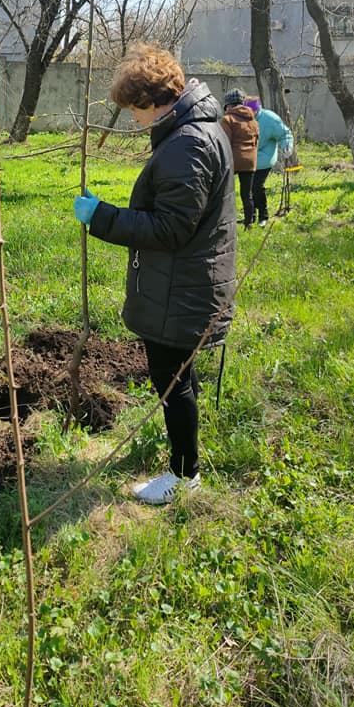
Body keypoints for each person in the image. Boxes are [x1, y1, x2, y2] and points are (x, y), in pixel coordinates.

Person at [73, 43, 237, 505]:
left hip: (182, 289)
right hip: (186, 282)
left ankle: (185, 474)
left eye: (134, 110)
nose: (132, 119)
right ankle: (184, 457)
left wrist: (101, 216)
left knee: (171, 379)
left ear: (154, 102)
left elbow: (169, 229)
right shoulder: (194, 131)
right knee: (177, 377)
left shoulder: (188, 144)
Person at [245, 97, 294, 226]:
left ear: (257, 109)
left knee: (256, 187)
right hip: (247, 158)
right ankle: (250, 217)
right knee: (247, 189)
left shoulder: (270, 119)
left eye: (252, 111)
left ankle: (263, 215)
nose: (250, 114)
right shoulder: (243, 118)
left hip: (264, 159)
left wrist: (287, 146)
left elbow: (285, 134)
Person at [222, 88, 259, 228]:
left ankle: (226, 220)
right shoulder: (253, 120)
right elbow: (256, 142)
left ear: (229, 105)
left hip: (232, 160)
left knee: (226, 192)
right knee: (247, 193)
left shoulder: (228, 119)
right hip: (250, 160)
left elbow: (224, 142)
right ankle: (249, 222)